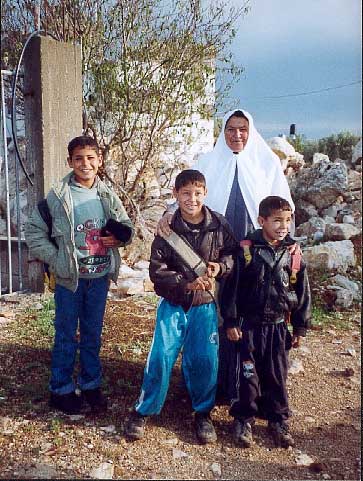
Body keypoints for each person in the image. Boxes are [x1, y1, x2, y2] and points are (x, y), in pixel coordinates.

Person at [156, 108, 296, 402]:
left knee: (249, 315)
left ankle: (250, 389)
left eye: (242, 129)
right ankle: (216, 383)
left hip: (256, 254)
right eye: (231, 129)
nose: (237, 135)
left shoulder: (265, 162)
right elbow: (187, 200)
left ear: (251, 130)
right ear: (223, 132)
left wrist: (289, 242)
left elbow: (283, 210)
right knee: (219, 316)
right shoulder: (209, 161)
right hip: (216, 253)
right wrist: (166, 217)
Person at [125, 169, 236, 444]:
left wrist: (220, 267)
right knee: (161, 356)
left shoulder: (219, 225)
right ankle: (143, 410)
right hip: (174, 304)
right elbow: (157, 270)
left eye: (198, 193)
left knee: (204, 359)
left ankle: (203, 413)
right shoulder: (167, 228)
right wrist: (186, 284)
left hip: (205, 305)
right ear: (176, 195)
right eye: (186, 193)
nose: (192, 199)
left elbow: (233, 256)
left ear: (205, 194)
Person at [25, 135, 134, 415]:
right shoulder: (59, 196)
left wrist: (118, 239)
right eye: (78, 159)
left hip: (98, 279)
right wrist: (57, 259)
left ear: (99, 161)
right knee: (65, 335)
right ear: (70, 162)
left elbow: (125, 226)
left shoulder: (106, 195)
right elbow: (34, 232)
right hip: (69, 280)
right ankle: (60, 389)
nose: (85, 164)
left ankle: (90, 386)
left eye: (90, 158)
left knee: (92, 334)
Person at [220, 195, 311, 448]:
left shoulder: (293, 255)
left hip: (278, 326)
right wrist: (231, 321)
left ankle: (278, 420)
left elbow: (303, 292)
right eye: (277, 220)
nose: (283, 226)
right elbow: (232, 290)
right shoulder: (247, 251)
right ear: (262, 221)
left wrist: (300, 326)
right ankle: (243, 419)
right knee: (248, 374)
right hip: (249, 326)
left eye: (288, 221)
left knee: (277, 375)